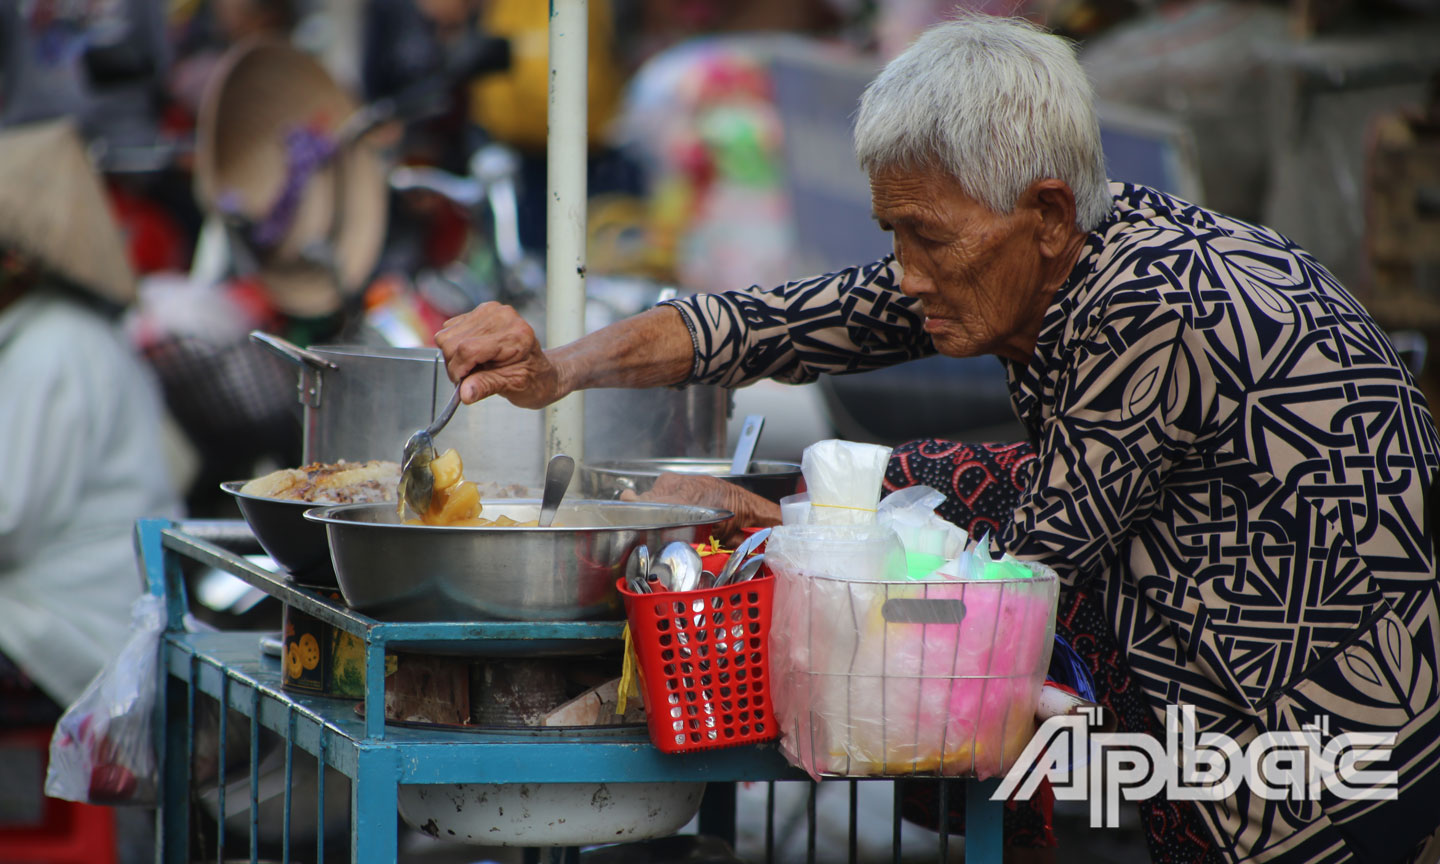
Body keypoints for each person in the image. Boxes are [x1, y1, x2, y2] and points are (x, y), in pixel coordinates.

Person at [434, 14, 1440, 864]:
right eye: (895, 238)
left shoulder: (1150, 306)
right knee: (919, 489)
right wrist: (557, 368)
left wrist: (779, 539)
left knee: (939, 588)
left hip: (1332, 747)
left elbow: (1012, 587)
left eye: (927, 240)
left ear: (1044, 212)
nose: (907, 274)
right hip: (1221, 639)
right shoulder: (1042, 240)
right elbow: (765, 323)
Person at [0, 119, 182, 732]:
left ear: (16, 260)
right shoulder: (41, 337)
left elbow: (7, 522)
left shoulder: (53, 346)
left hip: (68, 629)